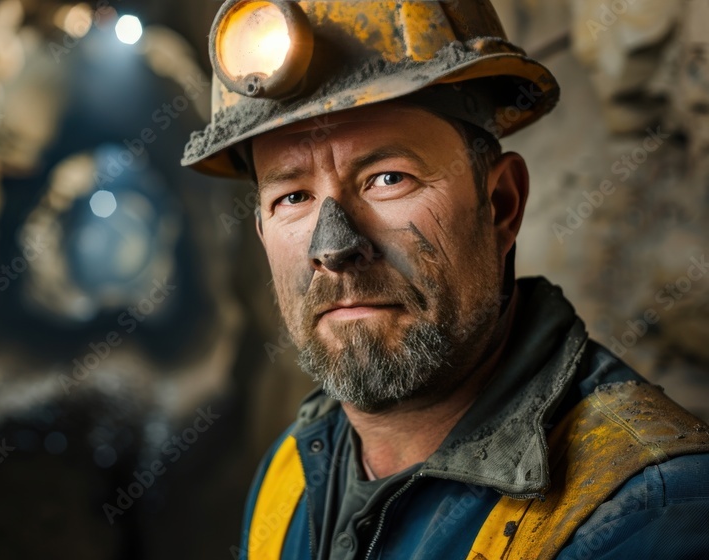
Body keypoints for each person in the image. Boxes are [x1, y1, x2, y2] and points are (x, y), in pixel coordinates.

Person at [181, 1, 709, 559]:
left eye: (388, 178)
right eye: (293, 197)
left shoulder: (645, 513)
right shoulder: (289, 474)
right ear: (262, 233)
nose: (332, 248)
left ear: (501, 205)